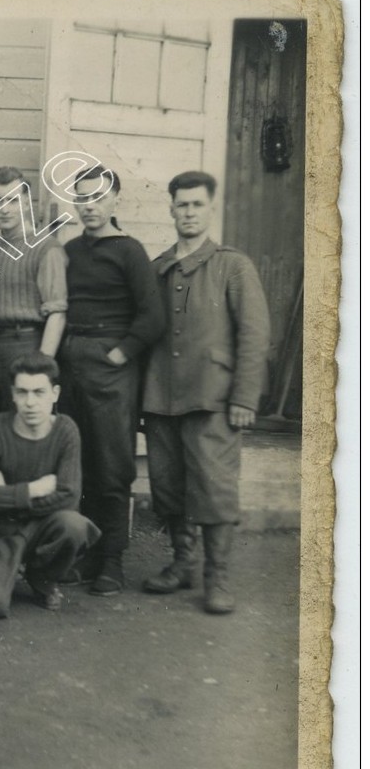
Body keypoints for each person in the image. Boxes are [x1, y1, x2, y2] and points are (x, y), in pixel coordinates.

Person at [141, 171, 271, 614]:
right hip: (161, 397)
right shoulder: (158, 268)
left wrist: (244, 398)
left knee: (214, 489)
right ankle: (183, 564)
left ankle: (217, 578)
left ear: (211, 208)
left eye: (198, 204)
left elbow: (254, 335)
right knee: (168, 487)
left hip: (213, 397)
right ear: (171, 208)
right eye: (182, 204)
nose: (189, 212)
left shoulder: (234, 266)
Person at [59, 166, 165, 595]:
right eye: (82, 198)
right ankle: (83, 555)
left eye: (98, 197)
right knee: (76, 459)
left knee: (112, 463)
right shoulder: (69, 250)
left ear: (115, 199)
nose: (90, 206)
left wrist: (118, 355)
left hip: (111, 366)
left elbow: (153, 317)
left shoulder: (130, 251)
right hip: (71, 364)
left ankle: (112, 561)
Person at [0, 354, 100, 619]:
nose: (30, 402)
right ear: (13, 394)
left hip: (35, 525)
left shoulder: (66, 430)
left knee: (74, 525)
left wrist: (4, 495)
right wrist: (33, 490)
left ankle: (42, 579)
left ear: (55, 393)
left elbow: (69, 496)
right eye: (22, 392)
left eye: (39, 392)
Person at [0, 166, 69, 412]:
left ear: (27, 202)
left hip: (28, 344)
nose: (5, 209)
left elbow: (57, 312)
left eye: (12, 200)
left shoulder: (46, 248)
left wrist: (42, 368)